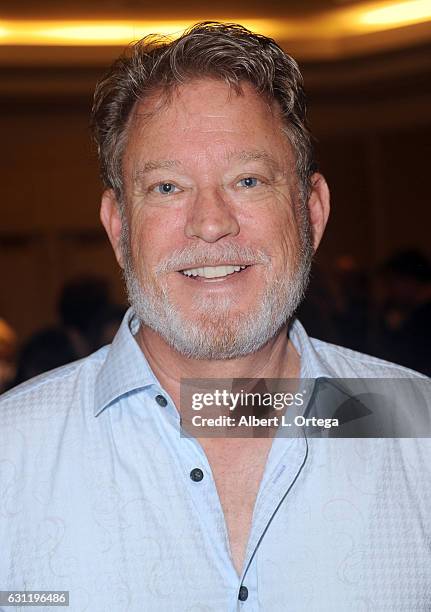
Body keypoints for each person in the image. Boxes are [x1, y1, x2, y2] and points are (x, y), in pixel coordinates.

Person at [0, 22, 429, 611]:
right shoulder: (12, 451)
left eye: (248, 180)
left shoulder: (419, 429)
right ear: (119, 228)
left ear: (312, 212)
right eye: (168, 187)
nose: (210, 223)